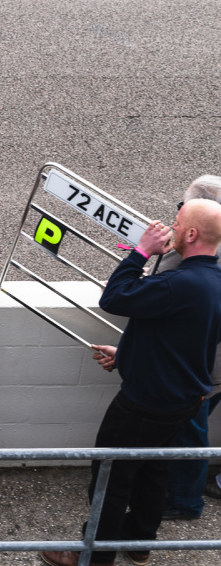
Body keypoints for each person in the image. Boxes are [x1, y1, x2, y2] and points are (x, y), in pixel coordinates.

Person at [41, 200, 221, 566]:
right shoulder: (214, 282)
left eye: (176, 223)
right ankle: (139, 542)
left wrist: (141, 251)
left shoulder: (176, 282)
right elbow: (181, 338)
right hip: (184, 400)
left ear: (190, 234)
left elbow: (114, 297)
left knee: (110, 476)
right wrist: (127, 355)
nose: (170, 228)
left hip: (144, 405)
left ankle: (94, 556)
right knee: (154, 471)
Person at [150, 176, 221, 520]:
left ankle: (185, 502)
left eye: (182, 209)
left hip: (199, 367)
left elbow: (155, 293)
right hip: (211, 365)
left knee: (190, 434)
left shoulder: (196, 253)